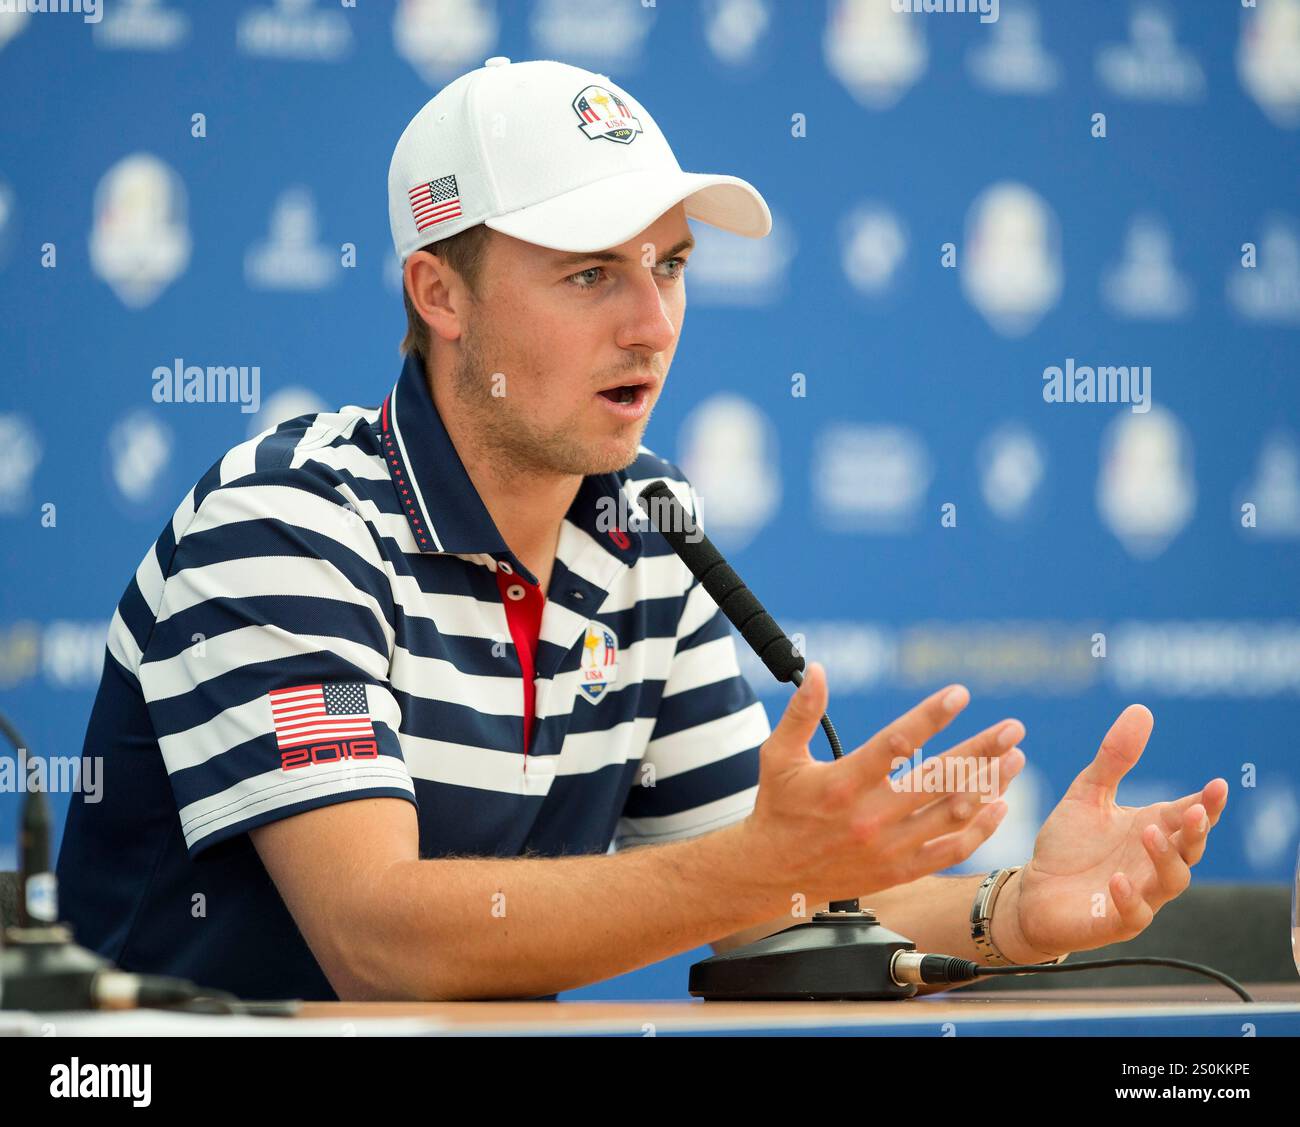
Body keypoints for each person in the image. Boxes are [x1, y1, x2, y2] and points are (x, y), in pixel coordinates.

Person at [57, 58, 1226, 1002]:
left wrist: (1011, 909)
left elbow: (773, 908)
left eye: (670, 267)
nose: (653, 323)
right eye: (589, 276)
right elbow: (379, 938)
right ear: (439, 294)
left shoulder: (639, 524)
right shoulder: (287, 519)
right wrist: (760, 865)